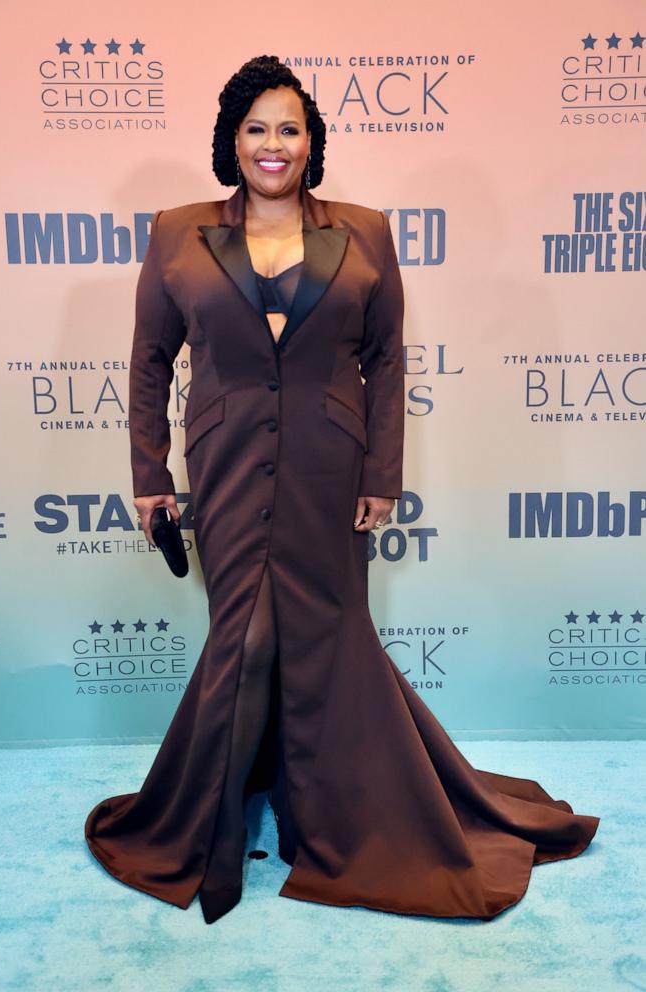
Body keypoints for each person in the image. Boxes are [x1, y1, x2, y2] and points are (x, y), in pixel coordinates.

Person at [84, 55, 600, 926]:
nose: (272, 145)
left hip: (331, 464)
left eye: (289, 128)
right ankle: (209, 835)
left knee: (326, 640)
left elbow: (387, 357)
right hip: (224, 456)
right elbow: (146, 363)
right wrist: (149, 476)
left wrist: (382, 475)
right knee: (242, 640)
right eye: (256, 129)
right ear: (231, 141)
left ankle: (333, 818)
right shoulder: (178, 230)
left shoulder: (364, 228)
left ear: (312, 142)